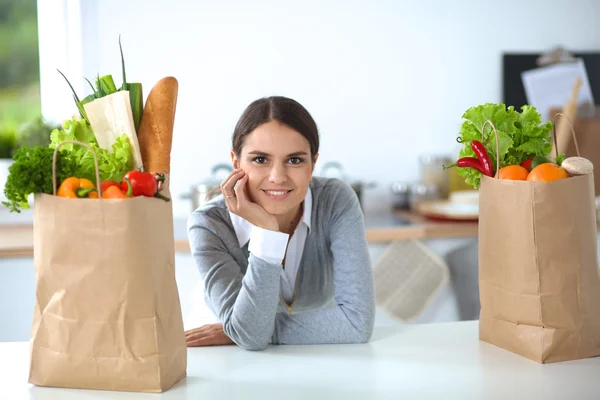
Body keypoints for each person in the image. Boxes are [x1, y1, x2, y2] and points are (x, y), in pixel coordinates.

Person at [185, 96, 375, 350]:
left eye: (295, 160)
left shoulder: (334, 200)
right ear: (236, 163)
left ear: (313, 164)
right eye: (260, 159)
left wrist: (243, 329)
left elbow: (356, 324)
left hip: (303, 350)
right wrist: (267, 233)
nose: (277, 177)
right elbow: (250, 339)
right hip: (218, 349)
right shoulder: (209, 224)